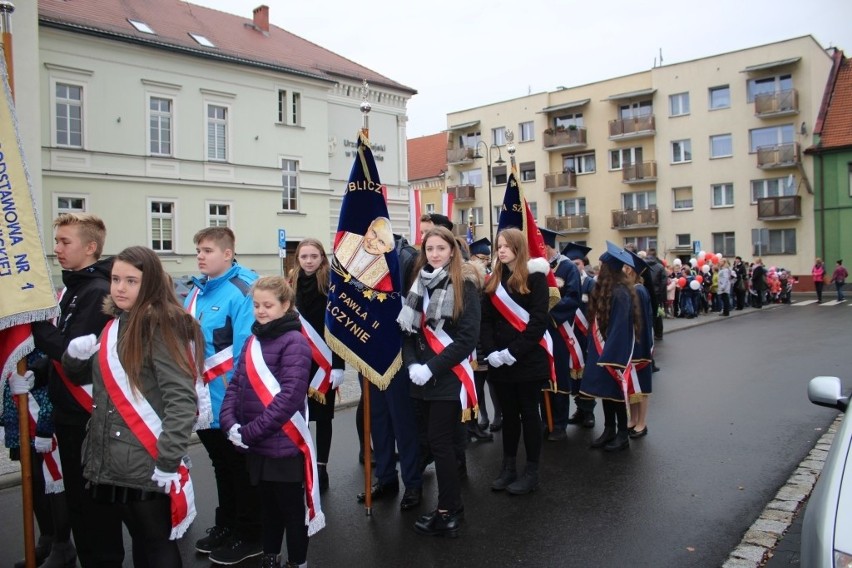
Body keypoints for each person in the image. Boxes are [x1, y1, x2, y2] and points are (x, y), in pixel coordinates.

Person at [62, 246, 205, 568]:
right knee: (137, 543)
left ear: (150, 283)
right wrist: (74, 357)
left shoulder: (159, 326)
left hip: (145, 456)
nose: (120, 288)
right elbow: (90, 378)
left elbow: (181, 400)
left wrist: (169, 460)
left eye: (131, 280)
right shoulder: (116, 324)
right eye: (115, 279)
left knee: (156, 544)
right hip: (109, 454)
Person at [27, 212, 124, 567]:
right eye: (57, 242)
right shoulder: (74, 287)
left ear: (91, 246)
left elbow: (72, 354)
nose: (57, 250)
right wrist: (37, 373)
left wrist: (34, 318)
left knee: (95, 508)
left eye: (65, 242)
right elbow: (59, 356)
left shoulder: (97, 291)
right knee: (81, 507)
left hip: (88, 415)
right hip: (68, 412)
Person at [220, 276, 324, 568]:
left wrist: (249, 432)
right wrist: (228, 422)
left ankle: (298, 561)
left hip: (283, 443)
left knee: (291, 510)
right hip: (257, 442)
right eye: (256, 305)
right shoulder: (254, 339)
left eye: (268, 305)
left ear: (286, 305)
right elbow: (236, 383)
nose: (261, 311)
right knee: (267, 507)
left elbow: (290, 397)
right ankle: (270, 555)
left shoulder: (295, 342)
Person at [397, 226, 482, 537]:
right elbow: (408, 333)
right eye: (429, 249)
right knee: (432, 442)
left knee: (442, 445)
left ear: (452, 252)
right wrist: (412, 366)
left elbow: (466, 340)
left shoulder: (465, 286)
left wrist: (430, 368)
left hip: (449, 378)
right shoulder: (419, 284)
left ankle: (448, 511)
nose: (434, 254)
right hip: (421, 379)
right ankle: (451, 505)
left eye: (440, 249)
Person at [185, 227, 262, 564]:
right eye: (198, 250)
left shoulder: (242, 289)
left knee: (240, 467)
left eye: (207, 250)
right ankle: (227, 524)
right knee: (220, 464)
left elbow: (247, 348)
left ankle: (251, 533)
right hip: (203, 399)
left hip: (231, 399)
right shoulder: (196, 291)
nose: (200, 256)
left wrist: (238, 400)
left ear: (228, 253)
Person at [355, 232, 424, 512]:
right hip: (369, 352)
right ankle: (386, 479)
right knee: (379, 422)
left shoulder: (406, 257)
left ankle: (413, 483)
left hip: (398, 351)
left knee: (403, 423)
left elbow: (417, 306)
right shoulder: (356, 258)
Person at [480, 228, 551, 495]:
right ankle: (508, 466)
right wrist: (492, 352)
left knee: (530, 415)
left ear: (519, 248)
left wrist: (513, 352)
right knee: (509, 416)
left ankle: (531, 471)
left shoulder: (535, 279)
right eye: (499, 246)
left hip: (527, 361)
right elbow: (485, 321)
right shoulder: (493, 279)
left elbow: (538, 322)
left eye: (507, 246)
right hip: (500, 362)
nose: (501, 250)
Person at [4, 357, 75, 568]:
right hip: (23, 417)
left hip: (44, 415)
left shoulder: (41, 330)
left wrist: (46, 423)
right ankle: (47, 538)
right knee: (35, 480)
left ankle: (63, 546)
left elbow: (54, 375)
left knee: (54, 481)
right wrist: (6, 420)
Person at [289, 239, 346, 492]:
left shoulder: (332, 283)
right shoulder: (290, 283)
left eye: (314, 256)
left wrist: (338, 364)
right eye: (304, 256)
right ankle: (303, 461)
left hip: (324, 361)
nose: (309, 261)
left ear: (322, 257)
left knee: (323, 417)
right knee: (299, 415)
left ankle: (321, 466)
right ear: (298, 259)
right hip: (297, 360)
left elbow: (339, 327)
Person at [580, 242, 642, 452]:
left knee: (615, 394)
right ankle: (608, 430)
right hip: (602, 349)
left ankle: (622, 434)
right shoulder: (605, 289)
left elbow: (619, 328)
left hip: (613, 353)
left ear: (609, 269)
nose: (599, 269)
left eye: (602, 266)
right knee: (605, 393)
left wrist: (611, 355)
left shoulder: (621, 292)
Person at [538, 227, 581, 442]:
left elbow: (573, 297)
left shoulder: (568, 268)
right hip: (538, 331)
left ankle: (560, 423)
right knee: (541, 374)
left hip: (559, 330)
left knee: (560, 375)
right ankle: (546, 420)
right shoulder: (535, 268)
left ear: (546, 246)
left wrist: (549, 316)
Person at [562, 242, 597, 429]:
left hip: (586, 337)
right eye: (572, 264)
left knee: (586, 375)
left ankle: (589, 411)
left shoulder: (591, 284)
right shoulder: (566, 284)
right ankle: (579, 409)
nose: (575, 267)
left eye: (578, 264)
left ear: (583, 264)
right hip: (569, 335)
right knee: (573, 375)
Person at [467, 237, 497, 440]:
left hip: (489, 341)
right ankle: (478, 420)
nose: (485, 261)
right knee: (475, 386)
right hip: (473, 344)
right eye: (481, 257)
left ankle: (497, 416)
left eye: (488, 258)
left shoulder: (492, 278)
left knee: (493, 382)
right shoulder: (470, 279)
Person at [624, 251, 653, 439]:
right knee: (631, 387)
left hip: (639, 346)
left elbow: (641, 323)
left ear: (633, 271)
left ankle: (642, 422)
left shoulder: (639, 291)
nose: (623, 271)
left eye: (625, 268)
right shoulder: (630, 289)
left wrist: (640, 348)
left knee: (641, 387)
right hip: (630, 344)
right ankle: (633, 419)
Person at [333, 216, 394, 290]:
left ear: (389, 249)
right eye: (374, 233)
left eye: (381, 242)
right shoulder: (342, 238)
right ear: (370, 226)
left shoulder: (386, 279)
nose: (372, 242)